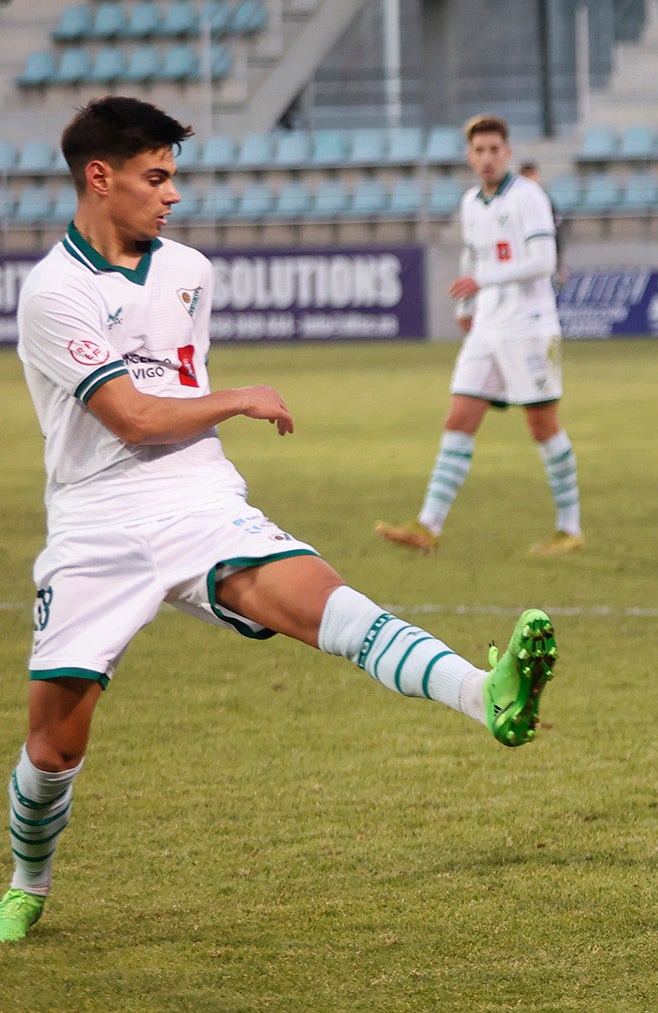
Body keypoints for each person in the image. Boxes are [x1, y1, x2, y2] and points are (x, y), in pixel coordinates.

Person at [0, 96, 559, 944]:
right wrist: (241, 399)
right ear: (99, 177)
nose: (172, 195)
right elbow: (134, 418)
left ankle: (488, 695)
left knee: (336, 608)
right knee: (53, 747)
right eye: (156, 178)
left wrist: (214, 421)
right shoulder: (53, 293)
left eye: (175, 177)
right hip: (97, 525)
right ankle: (28, 880)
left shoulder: (190, 270)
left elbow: (172, 411)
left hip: (198, 500)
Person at [375, 116, 584, 556]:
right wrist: (466, 306)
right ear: (469, 157)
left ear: (507, 153)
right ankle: (427, 525)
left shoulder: (529, 197)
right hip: (488, 328)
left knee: (542, 426)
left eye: (495, 149)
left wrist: (482, 281)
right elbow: (473, 257)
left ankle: (570, 526)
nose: (487, 158)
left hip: (529, 327)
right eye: (479, 151)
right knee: (458, 418)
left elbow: (543, 261)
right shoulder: (472, 202)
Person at [518, 161, 569, 290]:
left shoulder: (544, 200)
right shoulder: (513, 202)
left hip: (544, 257)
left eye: (533, 176)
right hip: (521, 258)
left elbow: (556, 231)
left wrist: (560, 263)